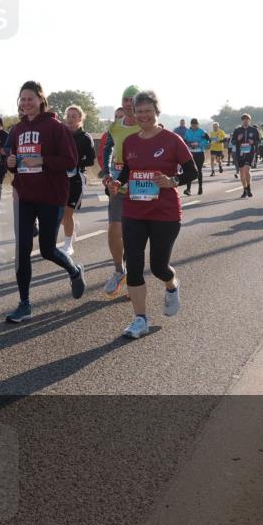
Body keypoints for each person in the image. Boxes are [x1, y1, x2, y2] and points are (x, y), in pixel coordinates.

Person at [108, 90, 194, 339]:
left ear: (157, 112)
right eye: (139, 111)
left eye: (148, 110)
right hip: (134, 210)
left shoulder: (172, 139)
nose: (144, 115)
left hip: (165, 213)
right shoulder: (131, 142)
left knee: (158, 267)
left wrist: (172, 181)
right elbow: (127, 172)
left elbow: (192, 171)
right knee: (133, 265)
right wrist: (116, 183)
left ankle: (171, 284)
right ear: (133, 114)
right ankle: (140, 319)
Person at [4, 81, 85, 322]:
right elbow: (11, 159)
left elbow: (70, 161)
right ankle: (25, 304)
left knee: (48, 249)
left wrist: (42, 160)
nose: (26, 103)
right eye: (22, 99)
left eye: (30, 98)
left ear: (41, 100)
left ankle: (74, 270)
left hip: (51, 196)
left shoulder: (55, 127)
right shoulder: (17, 130)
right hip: (24, 197)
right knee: (22, 251)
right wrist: (9, 163)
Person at [101, 86, 142, 297]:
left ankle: (133, 277)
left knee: (133, 235)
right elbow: (107, 152)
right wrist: (108, 175)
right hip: (118, 186)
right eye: (125, 99)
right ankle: (119, 271)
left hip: (142, 187)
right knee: (114, 229)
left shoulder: (148, 126)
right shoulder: (115, 127)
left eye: (132, 100)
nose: (128, 103)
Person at [62, 105, 95, 256]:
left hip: (76, 178)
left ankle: (68, 245)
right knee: (61, 215)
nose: (71, 118)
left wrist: (75, 162)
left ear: (80, 119)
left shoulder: (85, 138)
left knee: (67, 214)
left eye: (74, 116)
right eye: (69, 116)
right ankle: (73, 227)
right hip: (60, 178)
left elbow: (90, 160)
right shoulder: (60, 134)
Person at [231, 113, 261, 198]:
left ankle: (249, 188)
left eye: (247, 119)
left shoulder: (254, 130)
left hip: (250, 153)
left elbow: (259, 142)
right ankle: (244, 189)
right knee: (242, 172)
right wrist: (238, 139)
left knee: (247, 171)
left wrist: (253, 142)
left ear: (249, 120)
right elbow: (232, 142)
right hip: (240, 153)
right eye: (244, 119)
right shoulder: (237, 130)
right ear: (242, 121)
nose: (245, 121)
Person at [182, 118, 209, 195]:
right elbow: (185, 140)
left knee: (199, 170)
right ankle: (188, 189)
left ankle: (200, 188)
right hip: (190, 153)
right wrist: (188, 143)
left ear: (198, 124)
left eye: (195, 125)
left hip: (199, 153)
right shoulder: (188, 131)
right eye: (192, 125)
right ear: (190, 125)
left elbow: (207, 141)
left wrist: (198, 144)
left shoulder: (202, 131)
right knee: (189, 170)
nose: (194, 126)